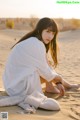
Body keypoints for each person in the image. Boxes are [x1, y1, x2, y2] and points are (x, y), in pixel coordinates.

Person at [1, 17, 80, 113]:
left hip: (11, 85)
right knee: (45, 67)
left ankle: (55, 86)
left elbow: (45, 68)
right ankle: (64, 86)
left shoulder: (32, 41)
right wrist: (58, 82)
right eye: (47, 31)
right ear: (39, 30)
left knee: (45, 64)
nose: (50, 36)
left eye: (53, 33)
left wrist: (57, 79)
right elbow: (47, 72)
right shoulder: (36, 44)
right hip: (19, 88)